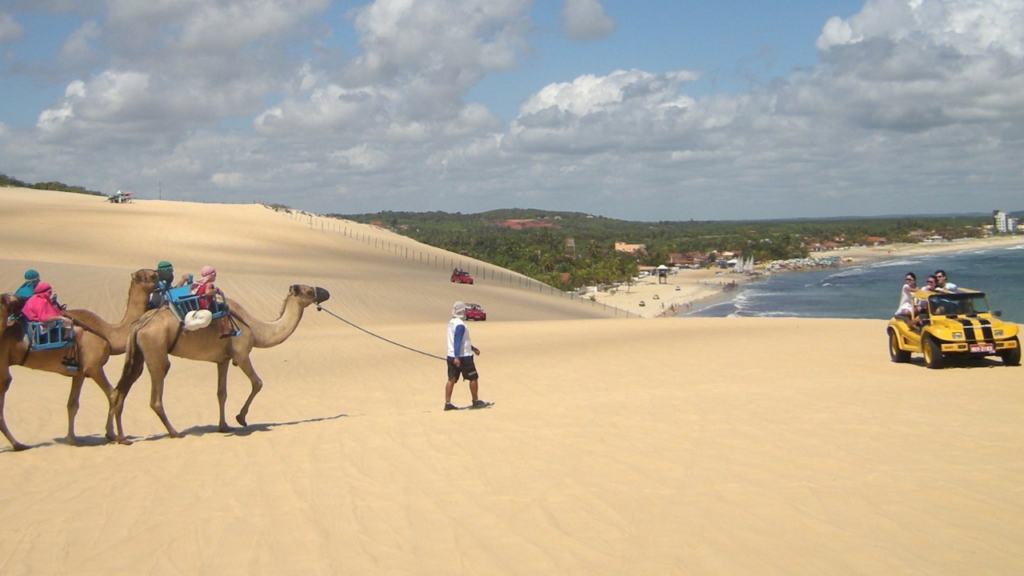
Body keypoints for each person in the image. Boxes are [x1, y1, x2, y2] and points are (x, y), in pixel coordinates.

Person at [21, 282, 82, 369]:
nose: (51, 293)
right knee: (78, 331)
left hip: (33, 330)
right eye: (50, 292)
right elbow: (44, 319)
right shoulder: (42, 301)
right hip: (43, 334)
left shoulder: (33, 299)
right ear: (46, 292)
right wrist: (61, 317)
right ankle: (71, 359)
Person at [445, 301, 491, 411]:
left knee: (451, 379)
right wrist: (457, 357)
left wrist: (473, 348)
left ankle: (447, 403)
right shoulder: (460, 325)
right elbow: (458, 340)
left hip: (451, 355)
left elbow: (462, 341)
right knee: (473, 377)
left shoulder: (451, 323)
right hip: (463, 357)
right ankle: (475, 401)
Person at [190, 266, 236, 338]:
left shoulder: (199, 283)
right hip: (206, 306)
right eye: (214, 274)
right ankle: (226, 330)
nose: (215, 276)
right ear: (210, 275)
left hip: (199, 305)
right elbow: (208, 292)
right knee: (225, 307)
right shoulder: (209, 284)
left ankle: (220, 331)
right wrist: (216, 290)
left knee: (217, 308)